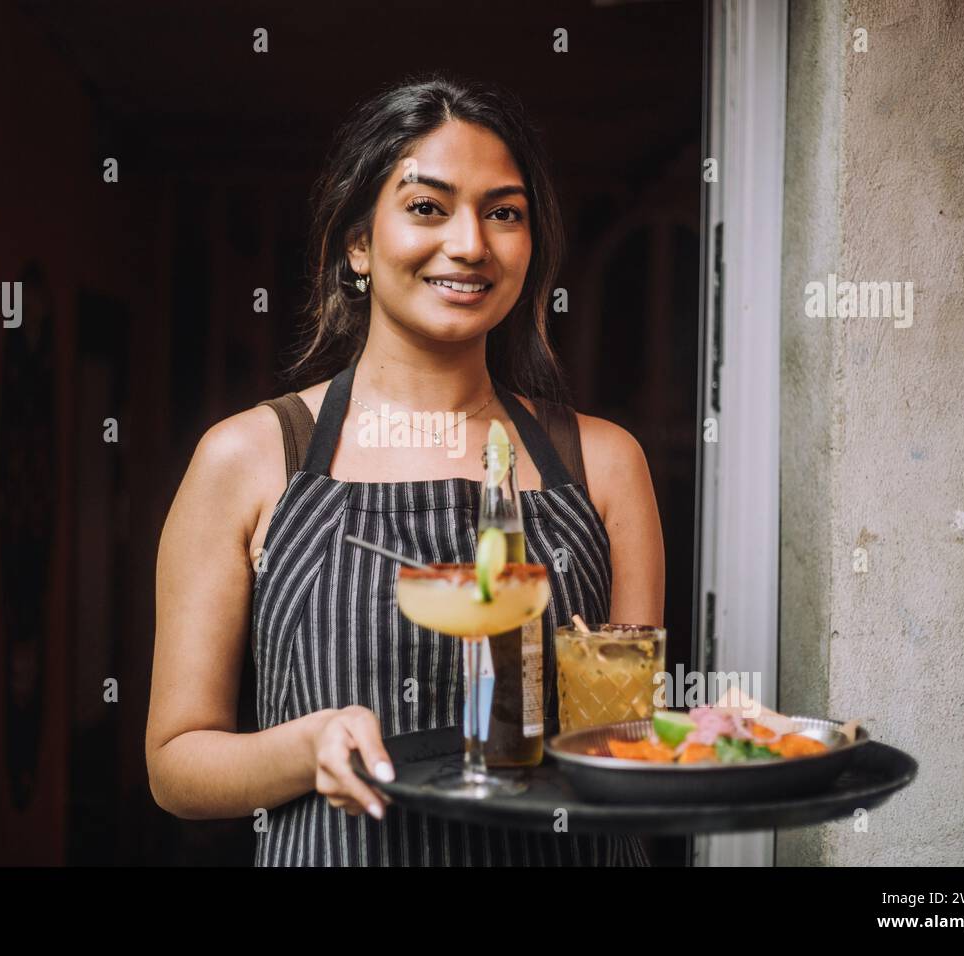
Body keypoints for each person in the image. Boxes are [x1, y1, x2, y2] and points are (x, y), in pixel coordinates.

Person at [146, 72, 665, 865]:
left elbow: (628, 737)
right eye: (428, 206)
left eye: (504, 213)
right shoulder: (249, 457)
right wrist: (308, 746)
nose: (470, 243)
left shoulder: (604, 463)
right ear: (359, 242)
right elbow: (177, 765)